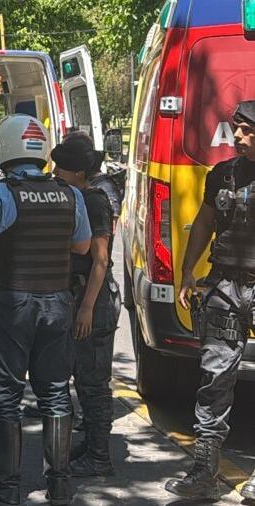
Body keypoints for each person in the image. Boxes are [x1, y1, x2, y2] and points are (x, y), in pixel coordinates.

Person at [0, 115, 91, 506]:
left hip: (10, 306)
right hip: (57, 306)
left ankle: (6, 487)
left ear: (3, 149)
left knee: (5, 395)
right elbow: (82, 247)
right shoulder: (70, 194)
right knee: (55, 393)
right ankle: (60, 485)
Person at [164, 100, 255, 501]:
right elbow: (202, 223)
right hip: (225, 287)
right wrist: (187, 272)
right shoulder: (222, 175)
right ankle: (205, 473)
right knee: (215, 377)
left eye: (247, 129)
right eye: (236, 127)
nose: (237, 136)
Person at [51, 136, 121, 477]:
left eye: (60, 167)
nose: (54, 172)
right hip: (79, 298)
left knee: (94, 383)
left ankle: (100, 456)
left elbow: (100, 261)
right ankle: (91, 444)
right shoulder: (75, 195)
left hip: (93, 301)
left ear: (79, 171)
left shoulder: (94, 201)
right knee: (83, 379)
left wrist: (87, 308)